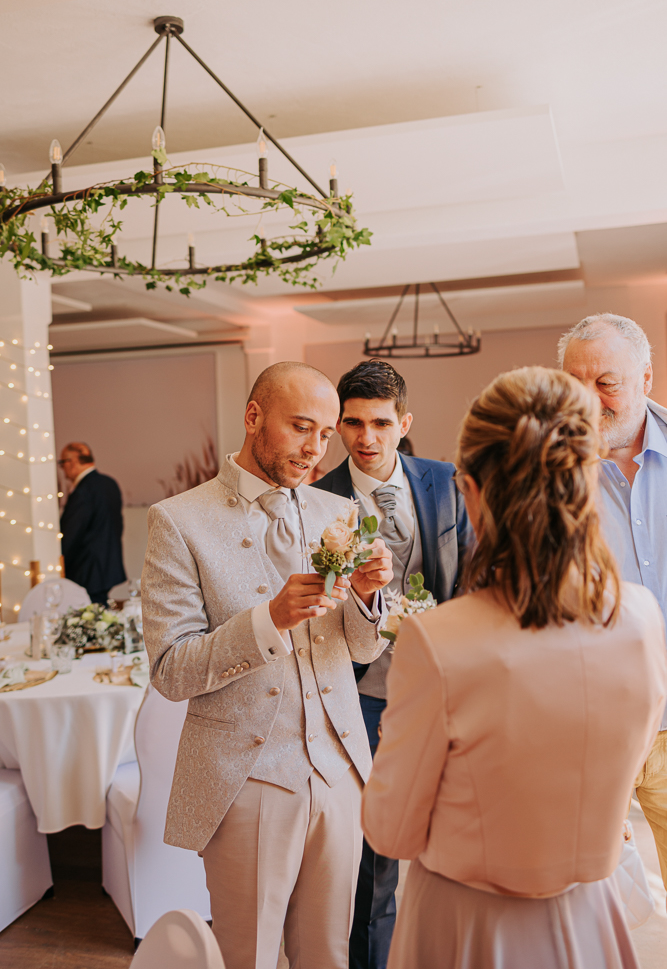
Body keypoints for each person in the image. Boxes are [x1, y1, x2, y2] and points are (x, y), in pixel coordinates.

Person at [362, 366, 667, 969]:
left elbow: (391, 833)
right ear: (584, 484)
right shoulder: (640, 616)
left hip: (465, 925)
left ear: (471, 490)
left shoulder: (437, 639)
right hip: (589, 919)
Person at [141, 361, 393, 969]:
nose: (315, 448)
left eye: (325, 433)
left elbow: (361, 650)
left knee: (330, 954)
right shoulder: (178, 520)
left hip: (340, 772)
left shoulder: (339, 512)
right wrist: (268, 620)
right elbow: (171, 671)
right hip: (245, 777)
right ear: (254, 417)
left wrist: (365, 599)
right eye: (301, 427)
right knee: (248, 955)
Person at [313, 360, 471, 969]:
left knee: (454, 836)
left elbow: (474, 574)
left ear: (404, 421)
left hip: (448, 687)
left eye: (380, 422)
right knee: (375, 855)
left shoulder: (445, 479)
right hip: (363, 694)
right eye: (352, 423)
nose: (366, 438)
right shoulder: (316, 498)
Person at [559, 313, 667, 895]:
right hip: (590, 725)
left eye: (607, 382)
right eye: (576, 383)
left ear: (646, 378)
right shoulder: (543, 475)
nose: (589, 399)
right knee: (581, 894)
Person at [59, 442, 126, 605]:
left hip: (86, 568)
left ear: (72, 462)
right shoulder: (109, 483)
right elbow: (118, 524)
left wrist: (59, 559)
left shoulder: (83, 490)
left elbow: (72, 532)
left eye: (62, 463)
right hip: (107, 563)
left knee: (89, 617)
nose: (63, 470)